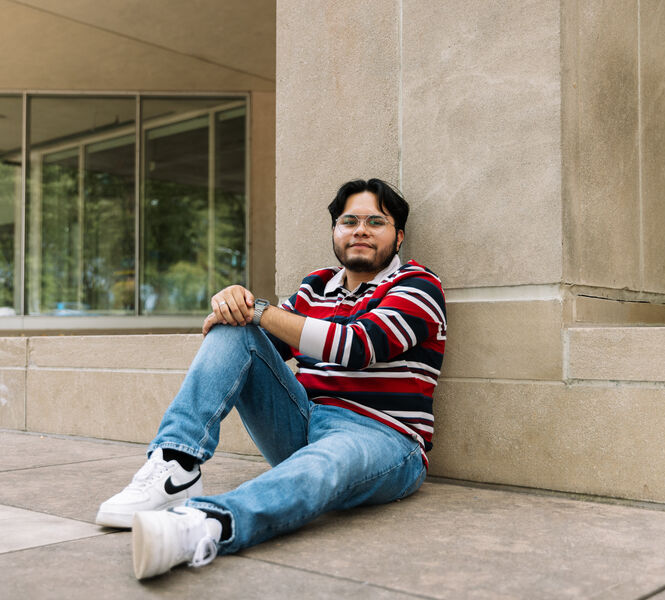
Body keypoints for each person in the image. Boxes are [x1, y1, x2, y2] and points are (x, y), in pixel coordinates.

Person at [96, 178, 447, 580]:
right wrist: (234, 306)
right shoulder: (316, 287)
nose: (360, 230)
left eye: (376, 221)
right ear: (335, 232)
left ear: (398, 236)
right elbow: (257, 348)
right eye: (349, 220)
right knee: (235, 329)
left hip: (383, 437)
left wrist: (257, 308)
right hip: (304, 421)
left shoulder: (418, 285)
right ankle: (176, 465)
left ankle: (204, 525)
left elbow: (355, 347)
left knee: (325, 462)